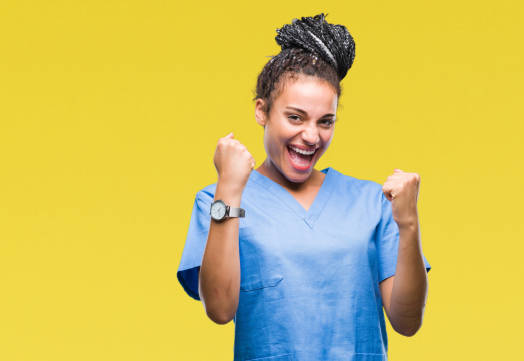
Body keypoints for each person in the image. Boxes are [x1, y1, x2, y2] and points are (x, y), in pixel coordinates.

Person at [176, 13, 431, 361]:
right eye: (295, 117)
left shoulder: (371, 202)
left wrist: (409, 224)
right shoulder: (217, 199)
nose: (311, 136)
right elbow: (219, 309)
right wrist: (229, 191)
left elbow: (407, 321)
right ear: (262, 111)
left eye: (325, 122)